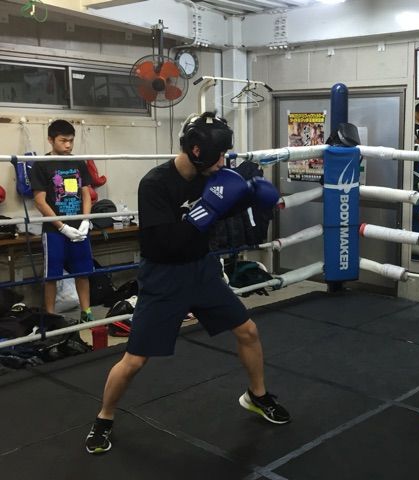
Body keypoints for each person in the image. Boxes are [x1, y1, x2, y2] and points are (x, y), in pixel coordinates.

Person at [84, 112, 290, 455]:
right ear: (197, 151)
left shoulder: (212, 175)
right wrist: (206, 210)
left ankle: (257, 396)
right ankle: (104, 417)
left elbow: (227, 207)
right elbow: (163, 244)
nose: (223, 161)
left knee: (248, 331)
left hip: (202, 271)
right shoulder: (155, 184)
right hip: (163, 276)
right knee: (134, 360)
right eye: (219, 155)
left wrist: (254, 197)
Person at [30, 120, 95, 322]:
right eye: (63, 140)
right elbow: (39, 201)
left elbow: (86, 194)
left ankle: (87, 312)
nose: (68, 145)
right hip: (54, 230)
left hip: (79, 228)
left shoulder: (78, 162)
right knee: (52, 275)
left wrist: (85, 220)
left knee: (83, 272)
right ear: (50, 140)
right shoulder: (41, 164)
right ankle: (50, 317)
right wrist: (62, 226)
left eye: (71, 141)